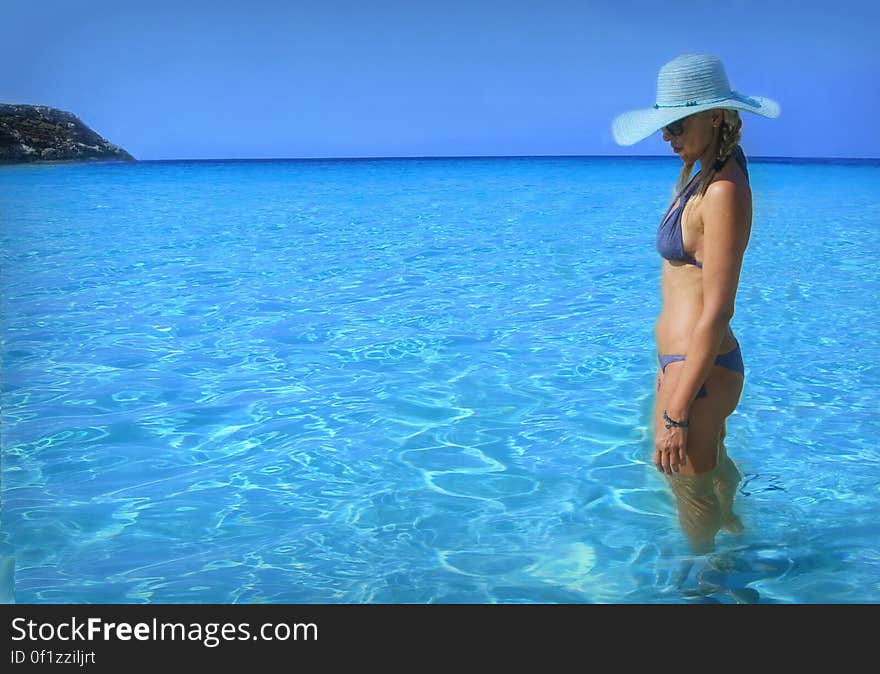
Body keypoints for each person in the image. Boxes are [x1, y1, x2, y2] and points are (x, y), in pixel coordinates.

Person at [611, 54, 780, 553]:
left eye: (677, 124)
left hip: (699, 372)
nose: (667, 136)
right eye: (664, 126)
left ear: (714, 117)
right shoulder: (699, 172)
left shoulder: (724, 190)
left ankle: (704, 582)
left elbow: (718, 309)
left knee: (687, 489)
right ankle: (738, 539)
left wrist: (676, 413)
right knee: (706, 469)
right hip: (689, 365)